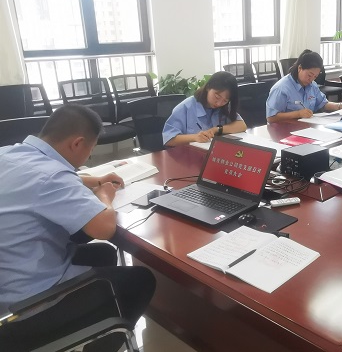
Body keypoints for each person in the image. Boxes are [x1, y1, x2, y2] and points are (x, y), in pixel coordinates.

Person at [0, 104, 155, 351]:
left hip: (7, 283)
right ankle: (98, 336)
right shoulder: (52, 177)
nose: (88, 157)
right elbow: (104, 228)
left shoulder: (8, 153)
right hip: (24, 310)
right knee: (141, 280)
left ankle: (95, 316)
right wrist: (104, 196)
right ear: (77, 143)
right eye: (90, 150)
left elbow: (43, 178)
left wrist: (93, 180)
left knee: (103, 253)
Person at [266, 50, 342, 123]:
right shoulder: (281, 89)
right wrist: (298, 114)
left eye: (315, 77)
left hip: (307, 128)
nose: (311, 79)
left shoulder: (312, 85)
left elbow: (322, 104)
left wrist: (340, 106)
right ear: (300, 68)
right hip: (285, 131)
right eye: (309, 75)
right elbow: (271, 118)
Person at [163, 71, 247, 146]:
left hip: (214, 153)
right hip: (189, 154)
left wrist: (216, 130)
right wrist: (195, 137)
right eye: (217, 97)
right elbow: (169, 140)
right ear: (208, 87)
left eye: (225, 100)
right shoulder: (186, 107)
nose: (219, 103)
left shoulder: (224, 107)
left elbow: (242, 126)